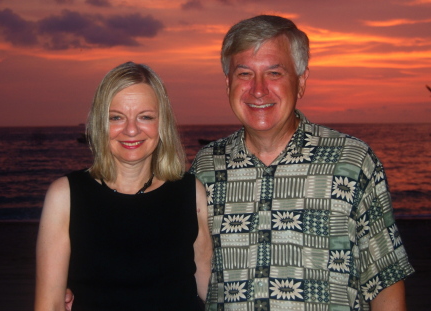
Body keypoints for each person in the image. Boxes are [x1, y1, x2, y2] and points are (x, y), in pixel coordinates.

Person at [189, 15, 414, 310]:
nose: (258, 89)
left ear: (301, 81)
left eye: (274, 73)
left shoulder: (352, 162)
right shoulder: (205, 168)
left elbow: (385, 279)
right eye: (245, 74)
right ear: (228, 82)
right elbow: (197, 274)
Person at [35, 61, 212, 310]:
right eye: (116, 117)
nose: (131, 130)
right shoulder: (65, 196)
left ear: (162, 124)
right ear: (100, 124)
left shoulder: (190, 192)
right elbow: (49, 304)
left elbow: (211, 290)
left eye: (145, 117)